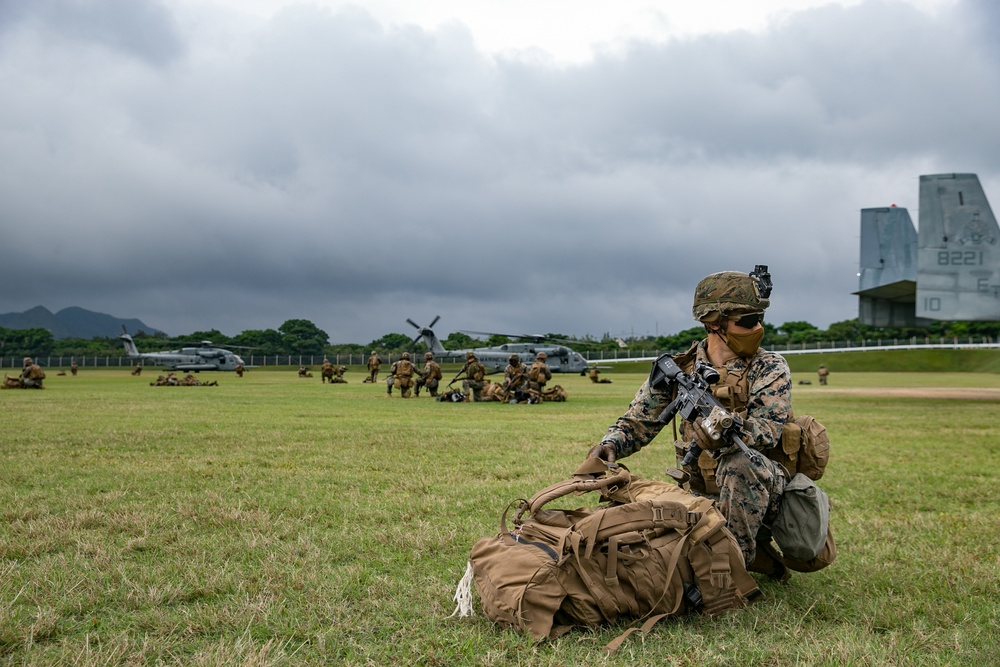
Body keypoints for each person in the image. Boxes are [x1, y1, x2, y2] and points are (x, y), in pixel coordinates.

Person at [587, 267, 792, 580]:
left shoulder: (770, 367)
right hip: (700, 492)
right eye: (748, 321)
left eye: (759, 319)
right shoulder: (679, 371)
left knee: (740, 461)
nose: (758, 327)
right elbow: (639, 420)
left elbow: (767, 431)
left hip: (763, 490)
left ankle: (734, 569)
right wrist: (609, 444)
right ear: (713, 323)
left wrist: (724, 428)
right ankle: (743, 553)